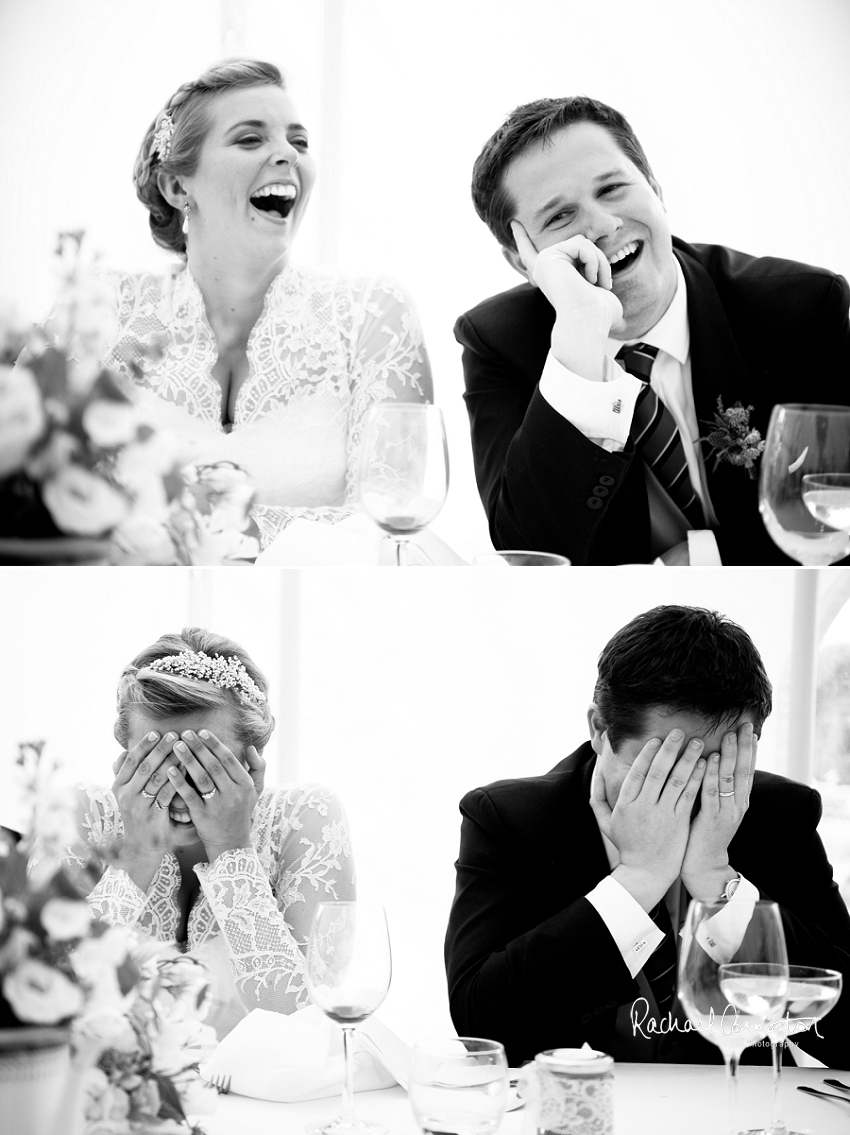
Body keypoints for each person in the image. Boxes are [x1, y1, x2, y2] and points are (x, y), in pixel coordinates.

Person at [444, 606, 850, 1067]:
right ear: (600, 729)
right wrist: (638, 880)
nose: (688, 791)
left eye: (717, 765)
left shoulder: (778, 815)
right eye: (665, 766)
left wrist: (719, 882)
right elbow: (486, 1031)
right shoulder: (510, 819)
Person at [456, 97, 850, 566]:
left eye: (612, 188)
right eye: (560, 216)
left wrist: (701, 560)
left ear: (656, 189)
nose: (603, 225)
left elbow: (837, 519)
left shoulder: (802, 307)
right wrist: (578, 347)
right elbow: (532, 555)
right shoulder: (497, 342)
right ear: (524, 260)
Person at [108, 58, 432, 547]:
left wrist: (230, 527)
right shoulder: (104, 310)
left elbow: (392, 525)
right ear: (177, 187)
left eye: (299, 142)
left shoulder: (372, 313)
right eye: (250, 139)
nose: (288, 155)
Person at [55, 627, 355, 1039]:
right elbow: (50, 1007)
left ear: (253, 760)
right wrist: (138, 852)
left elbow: (309, 1023)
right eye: (157, 763)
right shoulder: (83, 816)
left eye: (206, 765)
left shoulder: (306, 819)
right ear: (126, 755)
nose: (180, 792)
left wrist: (232, 850)